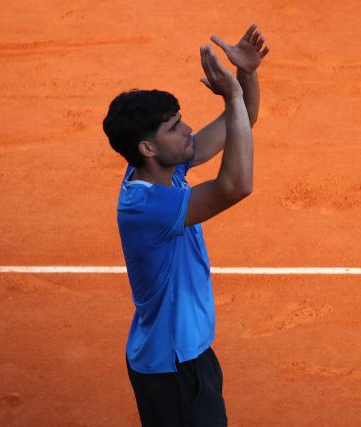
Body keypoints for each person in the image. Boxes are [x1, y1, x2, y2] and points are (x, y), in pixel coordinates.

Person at [102, 24, 269, 427]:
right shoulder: (148, 206)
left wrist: (245, 78)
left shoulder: (162, 169)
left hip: (187, 354)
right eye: (175, 127)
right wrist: (231, 95)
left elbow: (240, 123)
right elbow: (236, 186)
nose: (188, 129)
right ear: (147, 147)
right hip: (172, 369)